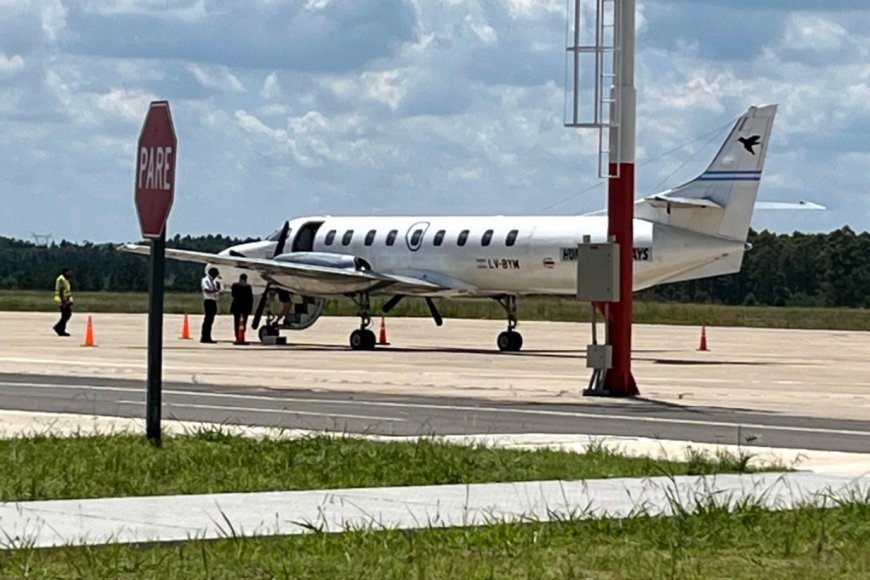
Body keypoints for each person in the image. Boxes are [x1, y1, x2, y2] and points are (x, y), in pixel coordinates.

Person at [230, 274, 254, 344]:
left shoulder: (235, 285)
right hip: (245, 307)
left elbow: (233, 295)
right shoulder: (248, 286)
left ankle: (237, 336)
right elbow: (250, 298)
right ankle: (242, 335)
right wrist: (250, 308)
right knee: (244, 323)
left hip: (236, 306)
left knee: (236, 322)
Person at [200, 267, 221, 343]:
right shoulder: (206, 280)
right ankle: (204, 337)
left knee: (210, 320)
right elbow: (206, 289)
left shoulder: (214, 282)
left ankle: (208, 336)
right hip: (208, 301)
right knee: (207, 320)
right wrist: (214, 291)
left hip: (213, 301)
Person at [53, 267, 73, 337]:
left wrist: (69, 300)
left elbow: (67, 292)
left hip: (65, 300)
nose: (70, 273)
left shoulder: (66, 280)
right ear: (65, 272)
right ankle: (59, 328)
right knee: (66, 315)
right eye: (69, 272)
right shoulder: (61, 279)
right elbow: (61, 291)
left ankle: (60, 329)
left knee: (66, 315)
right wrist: (64, 302)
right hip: (61, 299)